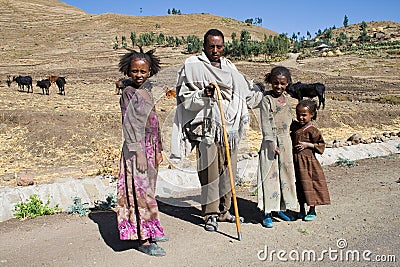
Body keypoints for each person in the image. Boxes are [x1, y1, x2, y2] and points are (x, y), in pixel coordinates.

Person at [170, 29, 263, 232]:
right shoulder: (193, 66)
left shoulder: (230, 67)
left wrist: (262, 92)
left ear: (223, 47)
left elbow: (245, 93)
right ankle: (210, 214)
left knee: (228, 171)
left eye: (219, 46)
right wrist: (204, 93)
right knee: (209, 172)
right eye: (211, 46)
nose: (215, 50)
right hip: (207, 129)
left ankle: (225, 211)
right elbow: (185, 99)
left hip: (231, 128)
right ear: (204, 46)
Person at [115, 47, 168, 256]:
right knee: (140, 193)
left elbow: (154, 121)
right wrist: (138, 153)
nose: (139, 75)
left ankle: (151, 229)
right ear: (128, 71)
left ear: (150, 72)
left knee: (148, 191)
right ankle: (144, 239)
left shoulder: (148, 91)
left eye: (143, 71)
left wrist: (159, 148)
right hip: (136, 149)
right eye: (135, 71)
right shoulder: (128, 93)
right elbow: (129, 124)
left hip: (150, 146)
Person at [256, 66, 298, 228]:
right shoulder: (267, 100)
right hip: (270, 144)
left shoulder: (287, 99)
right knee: (270, 176)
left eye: (282, 84)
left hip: (286, 142)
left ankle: (280, 208)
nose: (279, 87)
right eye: (276, 83)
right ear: (270, 82)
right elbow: (266, 122)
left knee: (285, 175)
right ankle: (267, 212)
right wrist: (272, 143)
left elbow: (288, 120)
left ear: (287, 84)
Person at [290, 99, 331, 221]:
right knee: (299, 185)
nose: (301, 117)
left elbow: (321, 145)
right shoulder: (295, 127)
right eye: (298, 114)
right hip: (296, 162)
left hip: (308, 164)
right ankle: (301, 209)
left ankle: (312, 209)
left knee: (309, 185)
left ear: (311, 115)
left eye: (304, 115)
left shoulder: (313, 130)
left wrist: (308, 145)